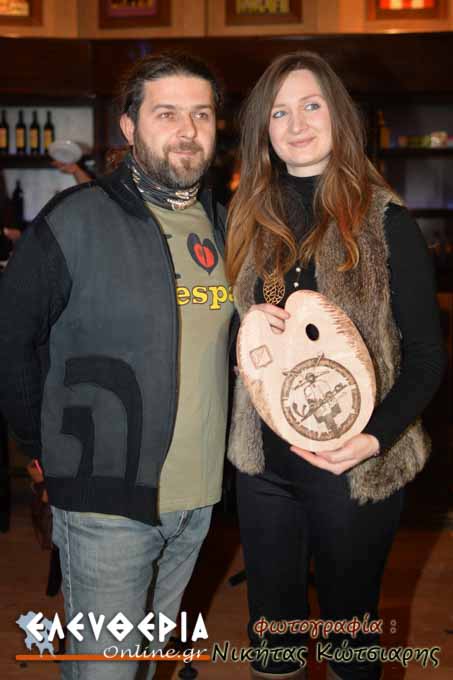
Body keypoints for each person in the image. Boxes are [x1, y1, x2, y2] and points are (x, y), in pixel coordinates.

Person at [0, 52, 233, 679]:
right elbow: (11, 338)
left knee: (145, 664)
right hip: (104, 506)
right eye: (167, 114)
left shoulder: (225, 222)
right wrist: (41, 447)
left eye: (201, 114)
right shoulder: (75, 219)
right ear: (129, 126)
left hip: (198, 503)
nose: (187, 130)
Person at [225, 52, 446, 680]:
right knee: (273, 640)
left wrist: (372, 440)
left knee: (350, 638)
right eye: (279, 112)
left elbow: (428, 357)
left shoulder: (386, 223)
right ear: (263, 131)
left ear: (339, 117)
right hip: (263, 465)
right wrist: (248, 334)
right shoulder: (248, 219)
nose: (296, 124)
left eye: (310, 105)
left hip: (353, 467)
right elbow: (235, 332)